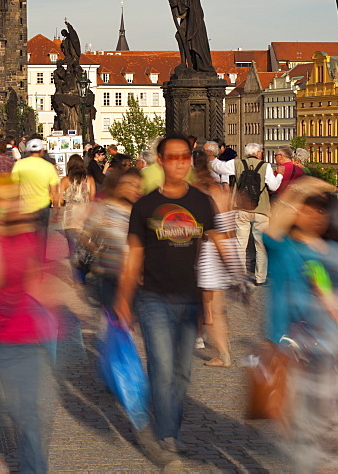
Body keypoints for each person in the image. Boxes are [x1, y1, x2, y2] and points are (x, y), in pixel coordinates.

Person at [115, 135, 229, 464]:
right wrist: (124, 298)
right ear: (161, 161)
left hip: (189, 298)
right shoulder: (146, 205)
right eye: (173, 157)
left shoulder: (201, 201)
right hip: (153, 298)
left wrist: (235, 278)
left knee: (181, 374)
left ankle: (171, 432)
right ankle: (165, 435)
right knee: (163, 370)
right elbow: (134, 255)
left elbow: (217, 240)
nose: (180, 163)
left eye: (185, 157)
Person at [0, 182, 59, 474]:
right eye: (3, 203)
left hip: (24, 338)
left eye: (15, 201)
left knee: (28, 414)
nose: (12, 208)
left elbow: (44, 286)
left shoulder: (33, 239)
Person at [262, 178, 338, 471]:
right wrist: (304, 186)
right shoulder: (282, 249)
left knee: (317, 422)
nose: (315, 217)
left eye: (321, 212)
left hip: (326, 347)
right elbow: (275, 220)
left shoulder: (336, 254)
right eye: (308, 210)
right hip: (289, 347)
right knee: (301, 427)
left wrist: (336, 302)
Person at [191, 152, 244, 368]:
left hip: (211, 248)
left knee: (210, 308)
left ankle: (222, 353)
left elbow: (203, 228)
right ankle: (216, 345)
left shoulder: (199, 193)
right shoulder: (222, 189)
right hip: (228, 244)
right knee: (215, 305)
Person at [77, 168, 142, 310]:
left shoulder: (140, 212)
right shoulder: (104, 209)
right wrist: (99, 253)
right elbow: (84, 237)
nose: (136, 190)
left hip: (133, 279)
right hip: (109, 277)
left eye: (138, 186)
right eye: (130, 184)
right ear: (119, 186)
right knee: (114, 320)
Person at [233, 143, 283, 285]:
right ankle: (260, 278)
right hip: (261, 209)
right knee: (260, 245)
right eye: (261, 151)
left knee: (240, 245)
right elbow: (273, 186)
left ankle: (240, 278)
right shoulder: (265, 166)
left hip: (241, 208)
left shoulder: (237, 164)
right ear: (258, 153)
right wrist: (279, 175)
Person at [11, 139, 62, 234]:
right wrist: (56, 211)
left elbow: (14, 189)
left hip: (26, 207)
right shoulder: (49, 166)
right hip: (43, 206)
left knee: (27, 237)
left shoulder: (19, 165)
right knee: (41, 237)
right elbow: (54, 192)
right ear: (42, 151)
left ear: (28, 151)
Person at [59, 154, 95, 271]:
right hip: (85, 216)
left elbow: (59, 200)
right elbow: (92, 200)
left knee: (72, 248)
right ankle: (85, 271)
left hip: (70, 217)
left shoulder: (65, 180)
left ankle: (77, 278)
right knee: (85, 245)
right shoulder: (89, 180)